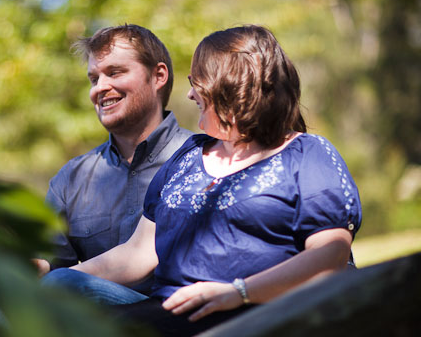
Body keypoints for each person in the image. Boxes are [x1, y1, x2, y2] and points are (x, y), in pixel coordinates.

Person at [50, 25, 362, 336]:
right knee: (57, 287)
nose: (189, 93)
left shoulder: (307, 153)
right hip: (169, 312)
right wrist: (47, 283)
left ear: (232, 84)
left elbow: (330, 256)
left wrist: (237, 292)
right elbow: (139, 253)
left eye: (197, 81)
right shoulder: (187, 157)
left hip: (256, 314)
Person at [35, 24, 193, 302]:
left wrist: (64, 281)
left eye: (115, 72)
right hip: (82, 324)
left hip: (174, 320)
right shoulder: (71, 178)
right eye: (94, 79)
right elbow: (48, 263)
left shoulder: (204, 157)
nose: (101, 88)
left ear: (158, 76)